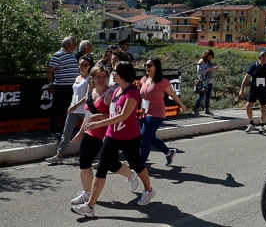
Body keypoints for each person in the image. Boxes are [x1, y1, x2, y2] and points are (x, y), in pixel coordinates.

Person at [72, 62, 155, 217]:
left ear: (122, 74)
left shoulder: (132, 93)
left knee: (137, 164)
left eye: (115, 71)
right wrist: (97, 116)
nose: (112, 73)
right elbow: (112, 113)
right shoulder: (117, 90)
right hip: (112, 136)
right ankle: (89, 207)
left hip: (129, 137)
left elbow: (123, 116)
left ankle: (149, 190)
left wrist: (98, 123)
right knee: (102, 168)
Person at [140, 58, 187, 166]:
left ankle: (139, 166)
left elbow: (173, 95)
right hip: (144, 113)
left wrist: (182, 105)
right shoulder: (143, 80)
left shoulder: (163, 82)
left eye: (149, 65)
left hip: (156, 114)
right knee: (152, 139)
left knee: (145, 138)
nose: (146, 67)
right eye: (145, 65)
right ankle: (169, 153)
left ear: (156, 67)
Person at [46, 56, 92, 164]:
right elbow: (75, 94)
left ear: (89, 66)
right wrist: (72, 105)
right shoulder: (77, 78)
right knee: (66, 132)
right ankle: (59, 155)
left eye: (85, 64)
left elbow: (87, 96)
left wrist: (75, 105)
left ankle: (95, 155)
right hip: (74, 109)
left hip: (85, 110)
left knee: (90, 133)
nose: (83, 66)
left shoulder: (90, 79)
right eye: (81, 64)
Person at [47, 37, 80, 137]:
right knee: (57, 109)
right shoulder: (57, 55)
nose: (76, 44)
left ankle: (64, 129)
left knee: (68, 109)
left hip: (72, 87)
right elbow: (50, 71)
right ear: (69, 44)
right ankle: (54, 129)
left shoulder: (72, 55)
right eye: (74, 42)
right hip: (61, 86)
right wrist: (50, 84)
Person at [239, 51, 266, 133]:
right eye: (265, 57)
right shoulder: (253, 66)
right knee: (248, 106)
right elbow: (246, 78)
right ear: (261, 57)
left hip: (264, 90)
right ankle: (251, 123)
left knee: (263, 107)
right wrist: (241, 89)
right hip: (254, 90)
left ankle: (262, 125)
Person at [194, 49, 219, 116]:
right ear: (206, 55)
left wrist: (214, 68)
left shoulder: (208, 62)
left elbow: (210, 69)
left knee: (208, 96)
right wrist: (206, 70)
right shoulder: (201, 61)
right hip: (203, 81)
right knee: (201, 96)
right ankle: (196, 110)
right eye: (210, 56)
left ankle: (207, 110)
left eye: (211, 57)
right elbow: (199, 72)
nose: (210, 58)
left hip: (209, 81)